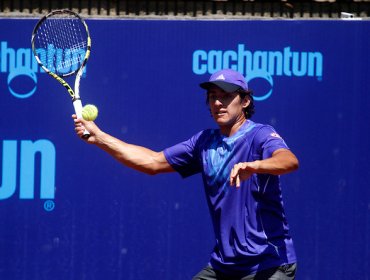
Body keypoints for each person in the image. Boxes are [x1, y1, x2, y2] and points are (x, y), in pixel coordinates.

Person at [73, 69, 299, 280]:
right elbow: (152, 162)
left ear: (245, 101)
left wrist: (255, 166)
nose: (218, 103)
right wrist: (99, 137)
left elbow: (288, 161)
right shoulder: (204, 142)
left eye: (226, 96)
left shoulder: (261, 134)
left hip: (269, 264)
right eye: (212, 97)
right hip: (225, 266)